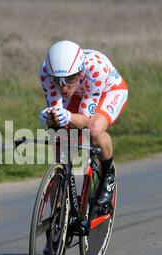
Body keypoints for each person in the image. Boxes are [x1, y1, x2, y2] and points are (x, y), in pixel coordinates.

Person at [39, 40, 128, 208]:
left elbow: (86, 120)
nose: (63, 87)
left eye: (70, 78)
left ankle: (108, 175)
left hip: (108, 91)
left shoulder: (96, 69)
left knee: (94, 130)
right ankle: (59, 213)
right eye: (57, 80)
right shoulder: (45, 72)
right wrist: (49, 118)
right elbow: (56, 113)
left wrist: (68, 117)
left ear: (80, 72)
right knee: (61, 141)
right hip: (79, 94)